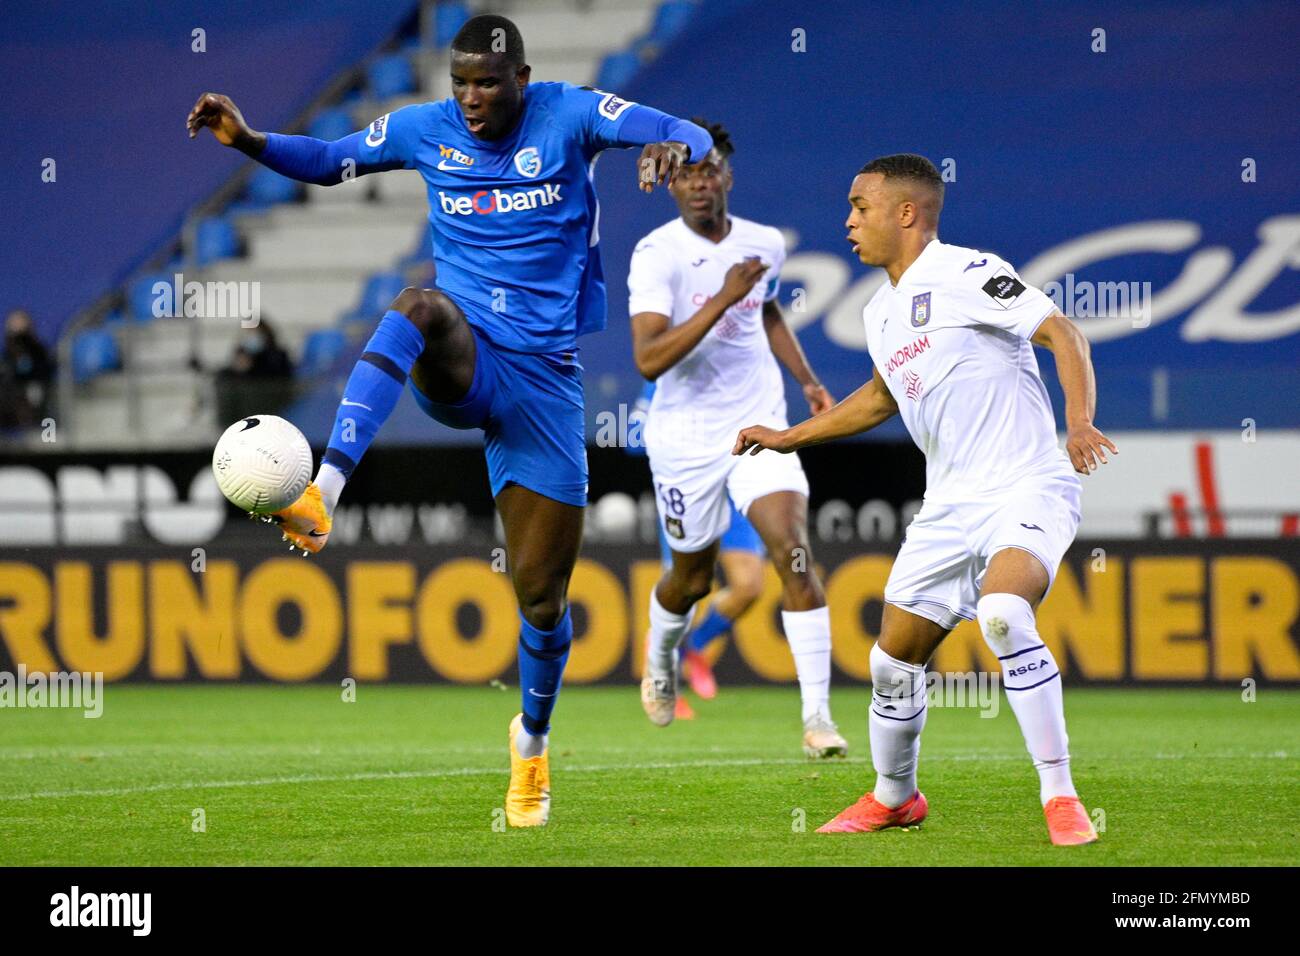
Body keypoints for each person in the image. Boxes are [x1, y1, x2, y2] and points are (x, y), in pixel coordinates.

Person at [187, 14, 710, 828]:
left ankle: (532, 745)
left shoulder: (570, 114)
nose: (471, 97)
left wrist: (677, 145)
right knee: (420, 304)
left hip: (544, 381)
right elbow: (329, 162)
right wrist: (249, 139)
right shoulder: (425, 128)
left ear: (522, 81)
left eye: (488, 83)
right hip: (464, 355)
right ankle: (324, 488)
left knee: (541, 600)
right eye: (461, 80)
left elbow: (674, 128)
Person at [734, 154, 1117, 844]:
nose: (848, 222)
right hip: (947, 507)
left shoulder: (968, 272)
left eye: (859, 206)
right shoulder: (881, 311)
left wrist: (1080, 420)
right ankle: (895, 797)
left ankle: (1059, 795)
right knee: (891, 662)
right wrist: (792, 436)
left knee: (1002, 614)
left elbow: (1063, 332)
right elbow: (880, 398)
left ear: (906, 212)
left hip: (1025, 483)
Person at [629, 119, 847, 758]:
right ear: (673, 182)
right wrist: (723, 298)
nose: (700, 183)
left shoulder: (764, 243)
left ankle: (818, 720)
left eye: (710, 171)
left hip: (758, 427)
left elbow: (767, 308)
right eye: (688, 173)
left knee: (793, 550)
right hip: (685, 438)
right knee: (691, 581)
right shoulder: (656, 254)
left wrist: (805, 379)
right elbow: (648, 359)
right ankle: (662, 654)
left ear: (727, 175)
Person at [630, 380, 766, 719]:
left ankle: (694, 646)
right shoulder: (664, 374)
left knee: (749, 585)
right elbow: (633, 436)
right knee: (684, 588)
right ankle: (665, 675)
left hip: (732, 491)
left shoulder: (738, 365)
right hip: (685, 488)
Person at [1, 309, 55, 428]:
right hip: (10, 395)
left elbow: (44, 371)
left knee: (32, 394)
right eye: (13, 328)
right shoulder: (8, 354)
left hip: (33, 390)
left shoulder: (39, 351)